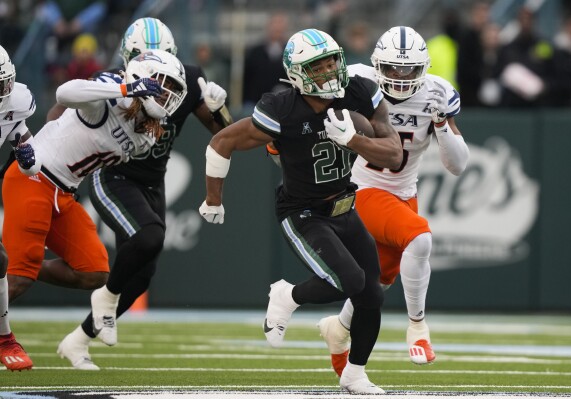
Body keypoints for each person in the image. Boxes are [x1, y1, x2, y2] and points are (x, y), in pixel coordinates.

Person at [199, 28, 403, 394]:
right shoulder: (282, 109)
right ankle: (287, 296)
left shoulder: (359, 90)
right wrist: (213, 198)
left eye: (331, 62)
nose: (328, 72)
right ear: (297, 74)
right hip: (303, 212)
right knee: (350, 281)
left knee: (371, 293)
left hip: (344, 205)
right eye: (317, 66)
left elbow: (394, 154)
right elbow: (222, 141)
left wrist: (354, 140)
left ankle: (354, 374)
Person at [55, 17, 231, 370]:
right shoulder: (112, 82)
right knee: (149, 238)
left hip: (153, 179)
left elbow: (223, 133)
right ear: (129, 59)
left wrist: (219, 108)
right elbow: (59, 112)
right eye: (146, 60)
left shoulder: (188, 79)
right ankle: (98, 296)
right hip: (113, 174)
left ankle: (77, 340)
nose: (158, 77)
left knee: (142, 274)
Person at [317, 26, 469, 376]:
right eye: (392, 69)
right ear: (375, 65)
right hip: (362, 187)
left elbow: (458, 165)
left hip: (404, 193)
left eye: (409, 70)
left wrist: (442, 124)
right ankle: (418, 327)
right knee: (420, 237)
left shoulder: (436, 92)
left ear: (424, 69)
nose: (400, 78)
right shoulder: (355, 81)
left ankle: (338, 331)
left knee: (377, 284)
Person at [4, 49, 186, 339]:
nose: (166, 97)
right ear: (143, 77)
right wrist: (125, 88)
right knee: (18, 280)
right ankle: (19, 266)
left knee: (94, 271)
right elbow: (65, 93)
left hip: (64, 194)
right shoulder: (112, 94)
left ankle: (21, 261)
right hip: (34, 177)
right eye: (163, 87)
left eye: (172, 93)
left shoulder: (147, 134)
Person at [0, 44, 36, 371]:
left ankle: (4, 338)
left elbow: (22, 138)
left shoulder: (18, 101)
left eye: (4, 84)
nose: (2, 92)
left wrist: (28, 156)